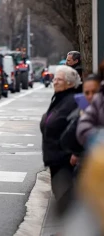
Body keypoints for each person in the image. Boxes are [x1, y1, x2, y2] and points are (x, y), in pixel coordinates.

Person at [40, 65, 81, 215]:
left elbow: (78, 127)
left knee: (67, 198)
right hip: (56, 158)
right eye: (55, 79)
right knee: (61, 196)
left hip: (66, 159)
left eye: (59, 79)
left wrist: (75, 151)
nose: (55, 82)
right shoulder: (59, 99)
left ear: (70, 83)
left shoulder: (72, 101)